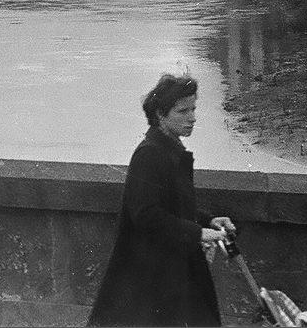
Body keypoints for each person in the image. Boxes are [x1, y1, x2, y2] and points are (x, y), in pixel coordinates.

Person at [87, 74, 236, 327]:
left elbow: (174, 205)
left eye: (193, 109)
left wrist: (209, 221)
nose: (193, 117)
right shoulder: (149, 155)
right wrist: (197, 233)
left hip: (168, 267)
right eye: (183, 111)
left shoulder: (168, 149)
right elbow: (145, 215)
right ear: (160, 115)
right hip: (153, 274)